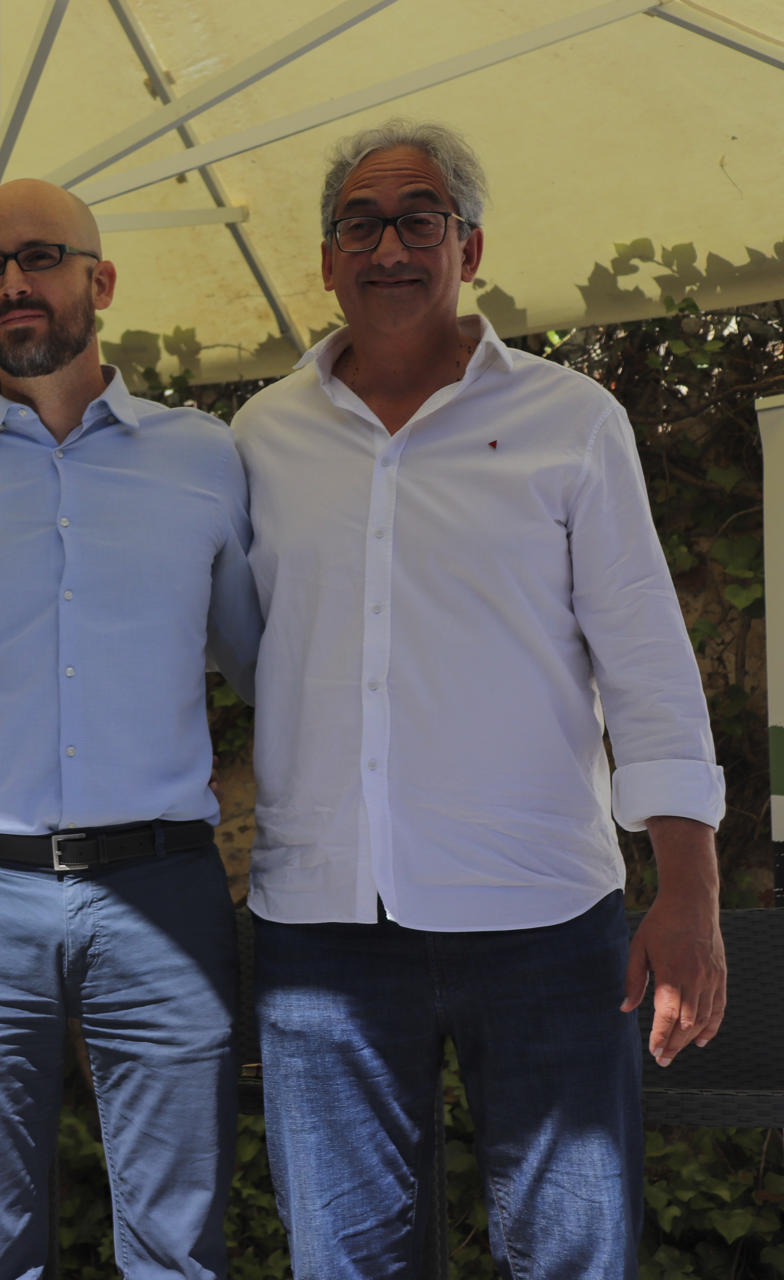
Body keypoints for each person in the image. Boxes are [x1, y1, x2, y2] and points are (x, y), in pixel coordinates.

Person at [232, 120, 726, 1279]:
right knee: (343, 1261)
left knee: (572, 1254)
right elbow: (246, 649)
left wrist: (689, 890)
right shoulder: (260, 439)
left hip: (545, 922)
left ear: (471, 245)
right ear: (326, 258)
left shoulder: (574, 422)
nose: (390, 244)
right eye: (362, 221)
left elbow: (649, 664)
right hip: (324, 929)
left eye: (420, 219)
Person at [0, 179, 261, 1279]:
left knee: (176, 1245)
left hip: (161, 886)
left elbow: (255, 661)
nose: (11, 283)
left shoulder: (208, 459)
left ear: (99, 281)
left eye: (39, 257)